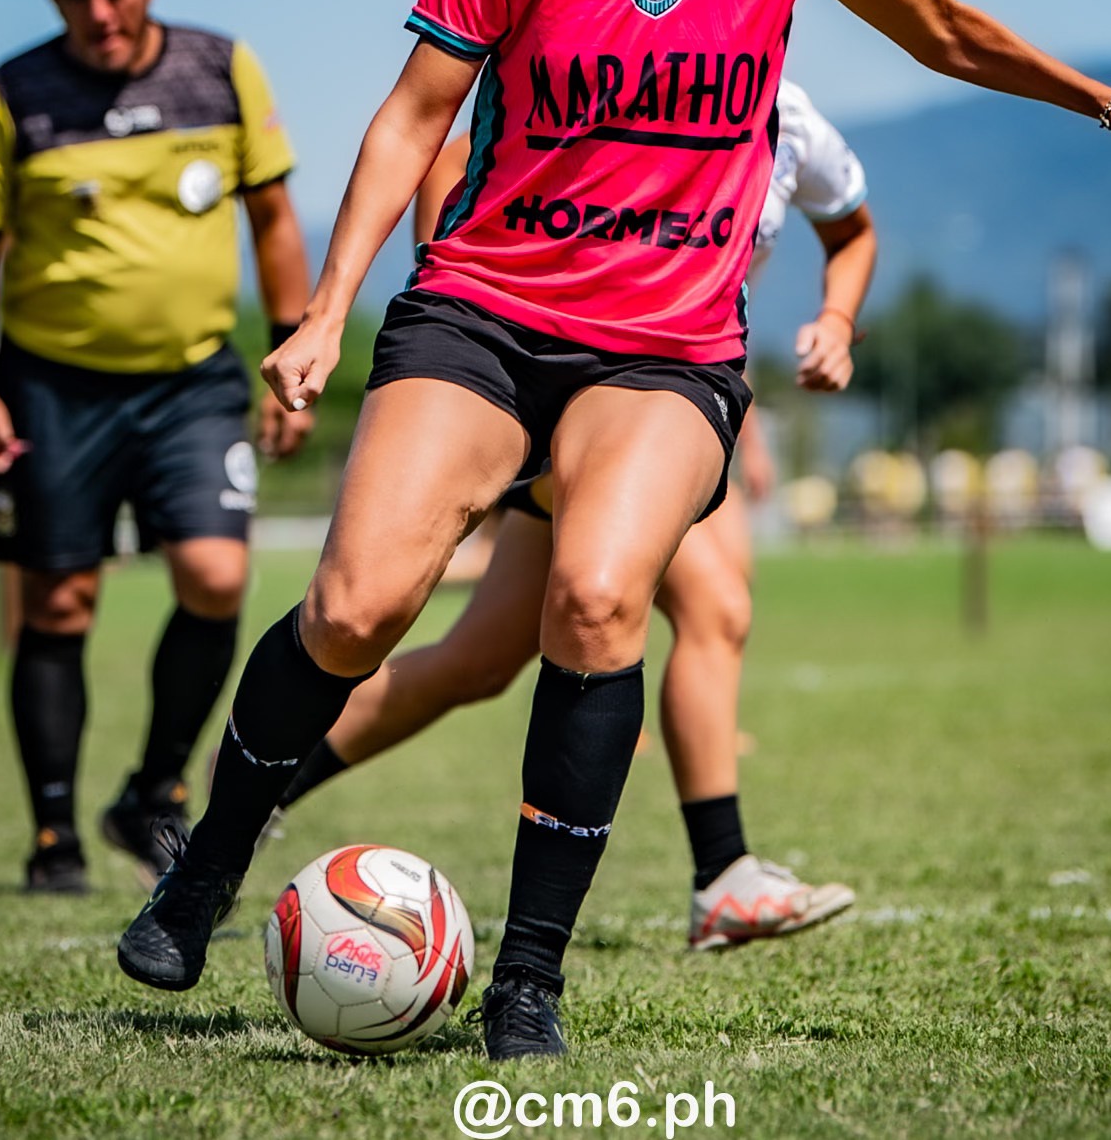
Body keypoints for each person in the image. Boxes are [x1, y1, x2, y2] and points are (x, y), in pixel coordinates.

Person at [116, 0, 1111, 1059]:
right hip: (482, 309)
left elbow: (948, 30)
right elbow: (414, 119)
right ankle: (206, 868)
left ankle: (528, 982)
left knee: (596, 604)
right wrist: (327, 309)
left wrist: (1106, 104)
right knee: (355, 610)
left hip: (663, 349)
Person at [273, 80, 875, 951]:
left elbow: (850, 227)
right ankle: (723, 873)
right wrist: (469, 326)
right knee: (714, 604)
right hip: (565, 390)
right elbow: (453, 155)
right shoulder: (629, 61)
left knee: (475, 662)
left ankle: (256, 782)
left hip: (678, 398)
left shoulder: (789, 116)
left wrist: (837, 319)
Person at [0, 0, 313, 894]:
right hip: (49, 390)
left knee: (216, 577)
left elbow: (274, 218)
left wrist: (291, 348)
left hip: (192, 381)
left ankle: (152, 795)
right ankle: (54, 835)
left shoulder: (220, 68)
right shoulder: (11, 95)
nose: (101, 11)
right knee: (58, 604)